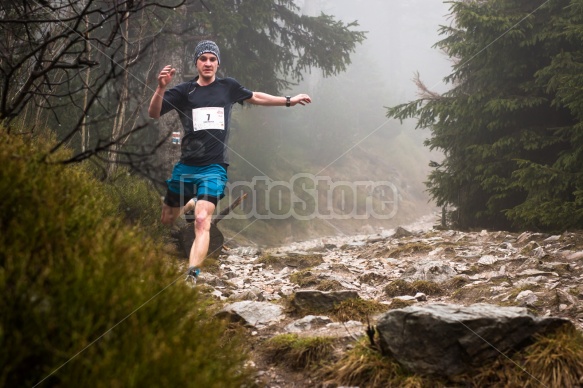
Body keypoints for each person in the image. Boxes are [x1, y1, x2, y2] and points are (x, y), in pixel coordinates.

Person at [148, 40, 311, 286]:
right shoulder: (184, 91)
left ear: (218, 63)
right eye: (203, 59)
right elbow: (153, 113)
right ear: (196, 62)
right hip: (186, 167)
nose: (208, 63)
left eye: (213, 59)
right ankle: (190, 202)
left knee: (203, 221)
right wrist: (160, 88)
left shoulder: (228, 87)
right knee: (167, 219)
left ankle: (192, 274)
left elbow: (256, 96)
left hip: (214, 167)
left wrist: (289, 100)